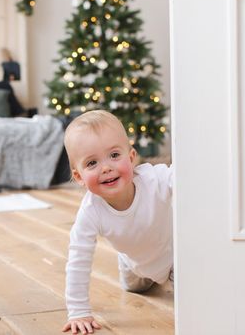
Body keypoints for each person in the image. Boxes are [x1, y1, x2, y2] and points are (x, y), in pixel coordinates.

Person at [61, 110, 173, 334]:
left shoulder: (156, 179)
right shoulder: (91, 212)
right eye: (92, 163)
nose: (106, 167)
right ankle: (126, 262)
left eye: (114, 155)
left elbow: (190, 176)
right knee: (133, 287)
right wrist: (78, 311)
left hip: (174, 259)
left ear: (131, 158)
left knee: (192, 298)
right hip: (135, 263)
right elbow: (78, 260)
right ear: (80, 177)